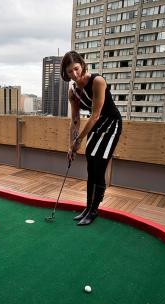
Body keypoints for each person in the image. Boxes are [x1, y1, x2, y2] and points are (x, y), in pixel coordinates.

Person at [60, 51, 122, 226]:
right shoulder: (73, 92)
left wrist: (78, 140)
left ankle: (94, 210)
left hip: (111, 124)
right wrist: (70, 146)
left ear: (82, 64)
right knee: (90, 164)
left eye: (76, 69)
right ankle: (87, 208)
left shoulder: (98, 81)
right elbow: (75, 120)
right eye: (70, 72)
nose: (74, 74)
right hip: (96, 126)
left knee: (98, 165)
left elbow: (95, 115)